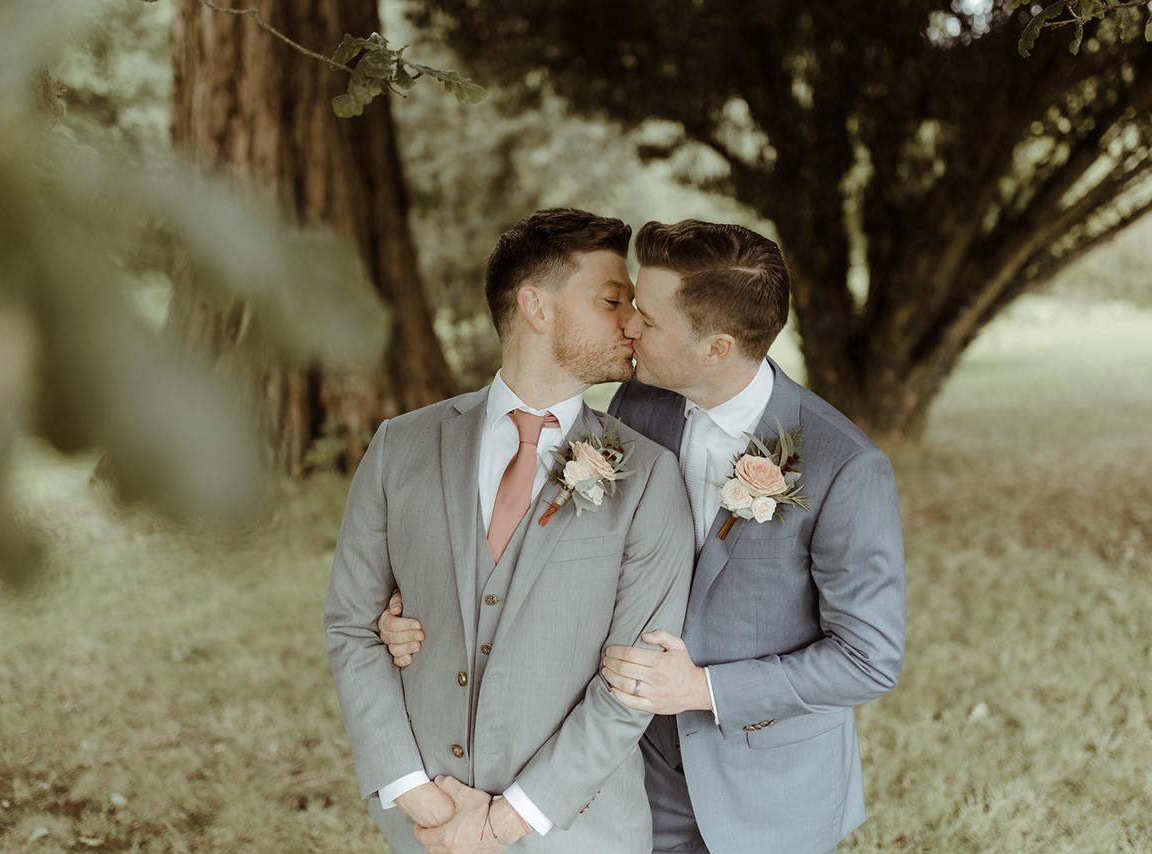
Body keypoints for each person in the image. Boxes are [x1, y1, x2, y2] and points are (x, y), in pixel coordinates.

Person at [378, 218, 906, 853]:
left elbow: (868, 659)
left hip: (766, 792)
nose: (628, 324)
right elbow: (563, 552)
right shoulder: (635, 409)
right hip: (631, 775)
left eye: (648, 321)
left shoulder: (843, 466)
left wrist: (703, 688)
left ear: (717, 347)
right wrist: (425, 610)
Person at [325, 209, 694, 853]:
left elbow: (634, 681)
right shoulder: (401, 446)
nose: (630, 323)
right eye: (612, 301)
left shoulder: (649, 475)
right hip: (426, 825)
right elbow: (353, 626)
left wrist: (503, 821)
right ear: (536, 307)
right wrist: (412, 789)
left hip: (575, 833)